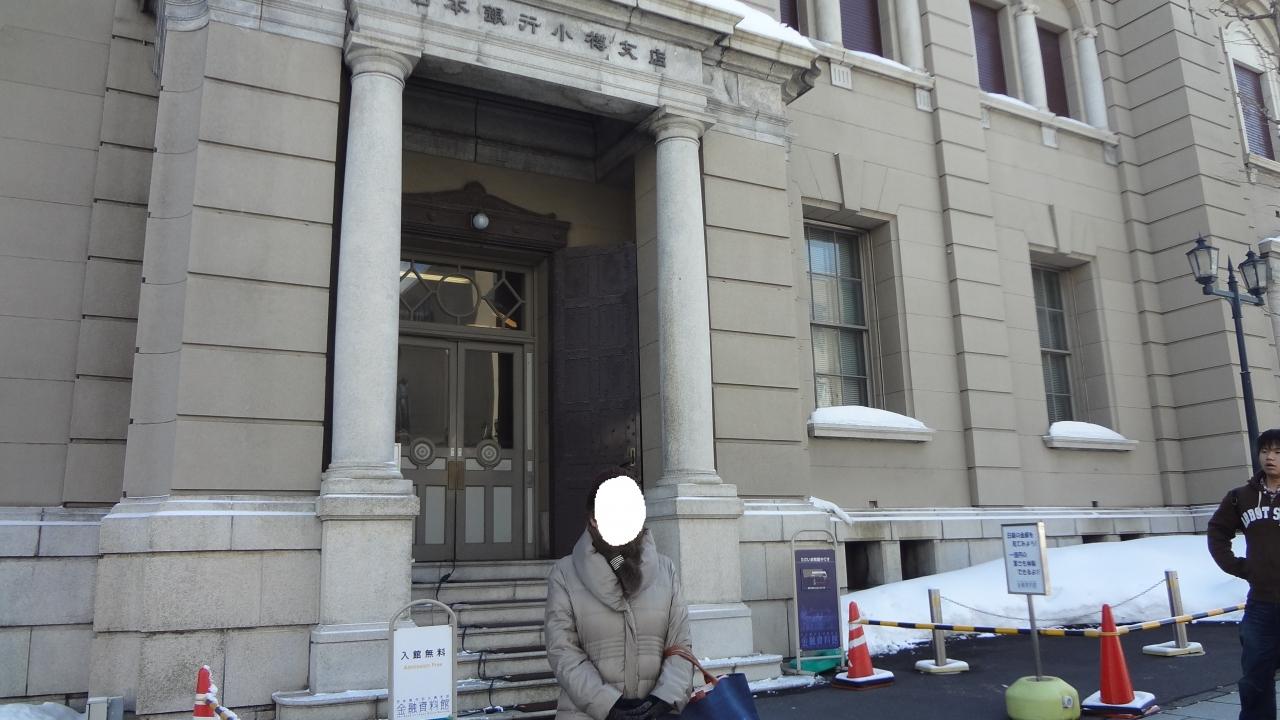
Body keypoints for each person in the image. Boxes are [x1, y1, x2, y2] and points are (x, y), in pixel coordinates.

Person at [544, 473, 693, 719]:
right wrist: (608, 705)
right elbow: (563, 651)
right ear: (593, 519)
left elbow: (680, 644)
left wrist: (663, 698)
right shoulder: (564, 574)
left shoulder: (665, 569)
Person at [1208, 428, 1280, 720]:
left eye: (1277, 452)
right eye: (1265, 451)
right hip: (1261, 604)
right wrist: (1240, 567)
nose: (1270, 457)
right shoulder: (1241, 497)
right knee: (1255, 678)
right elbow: (1217, 531)